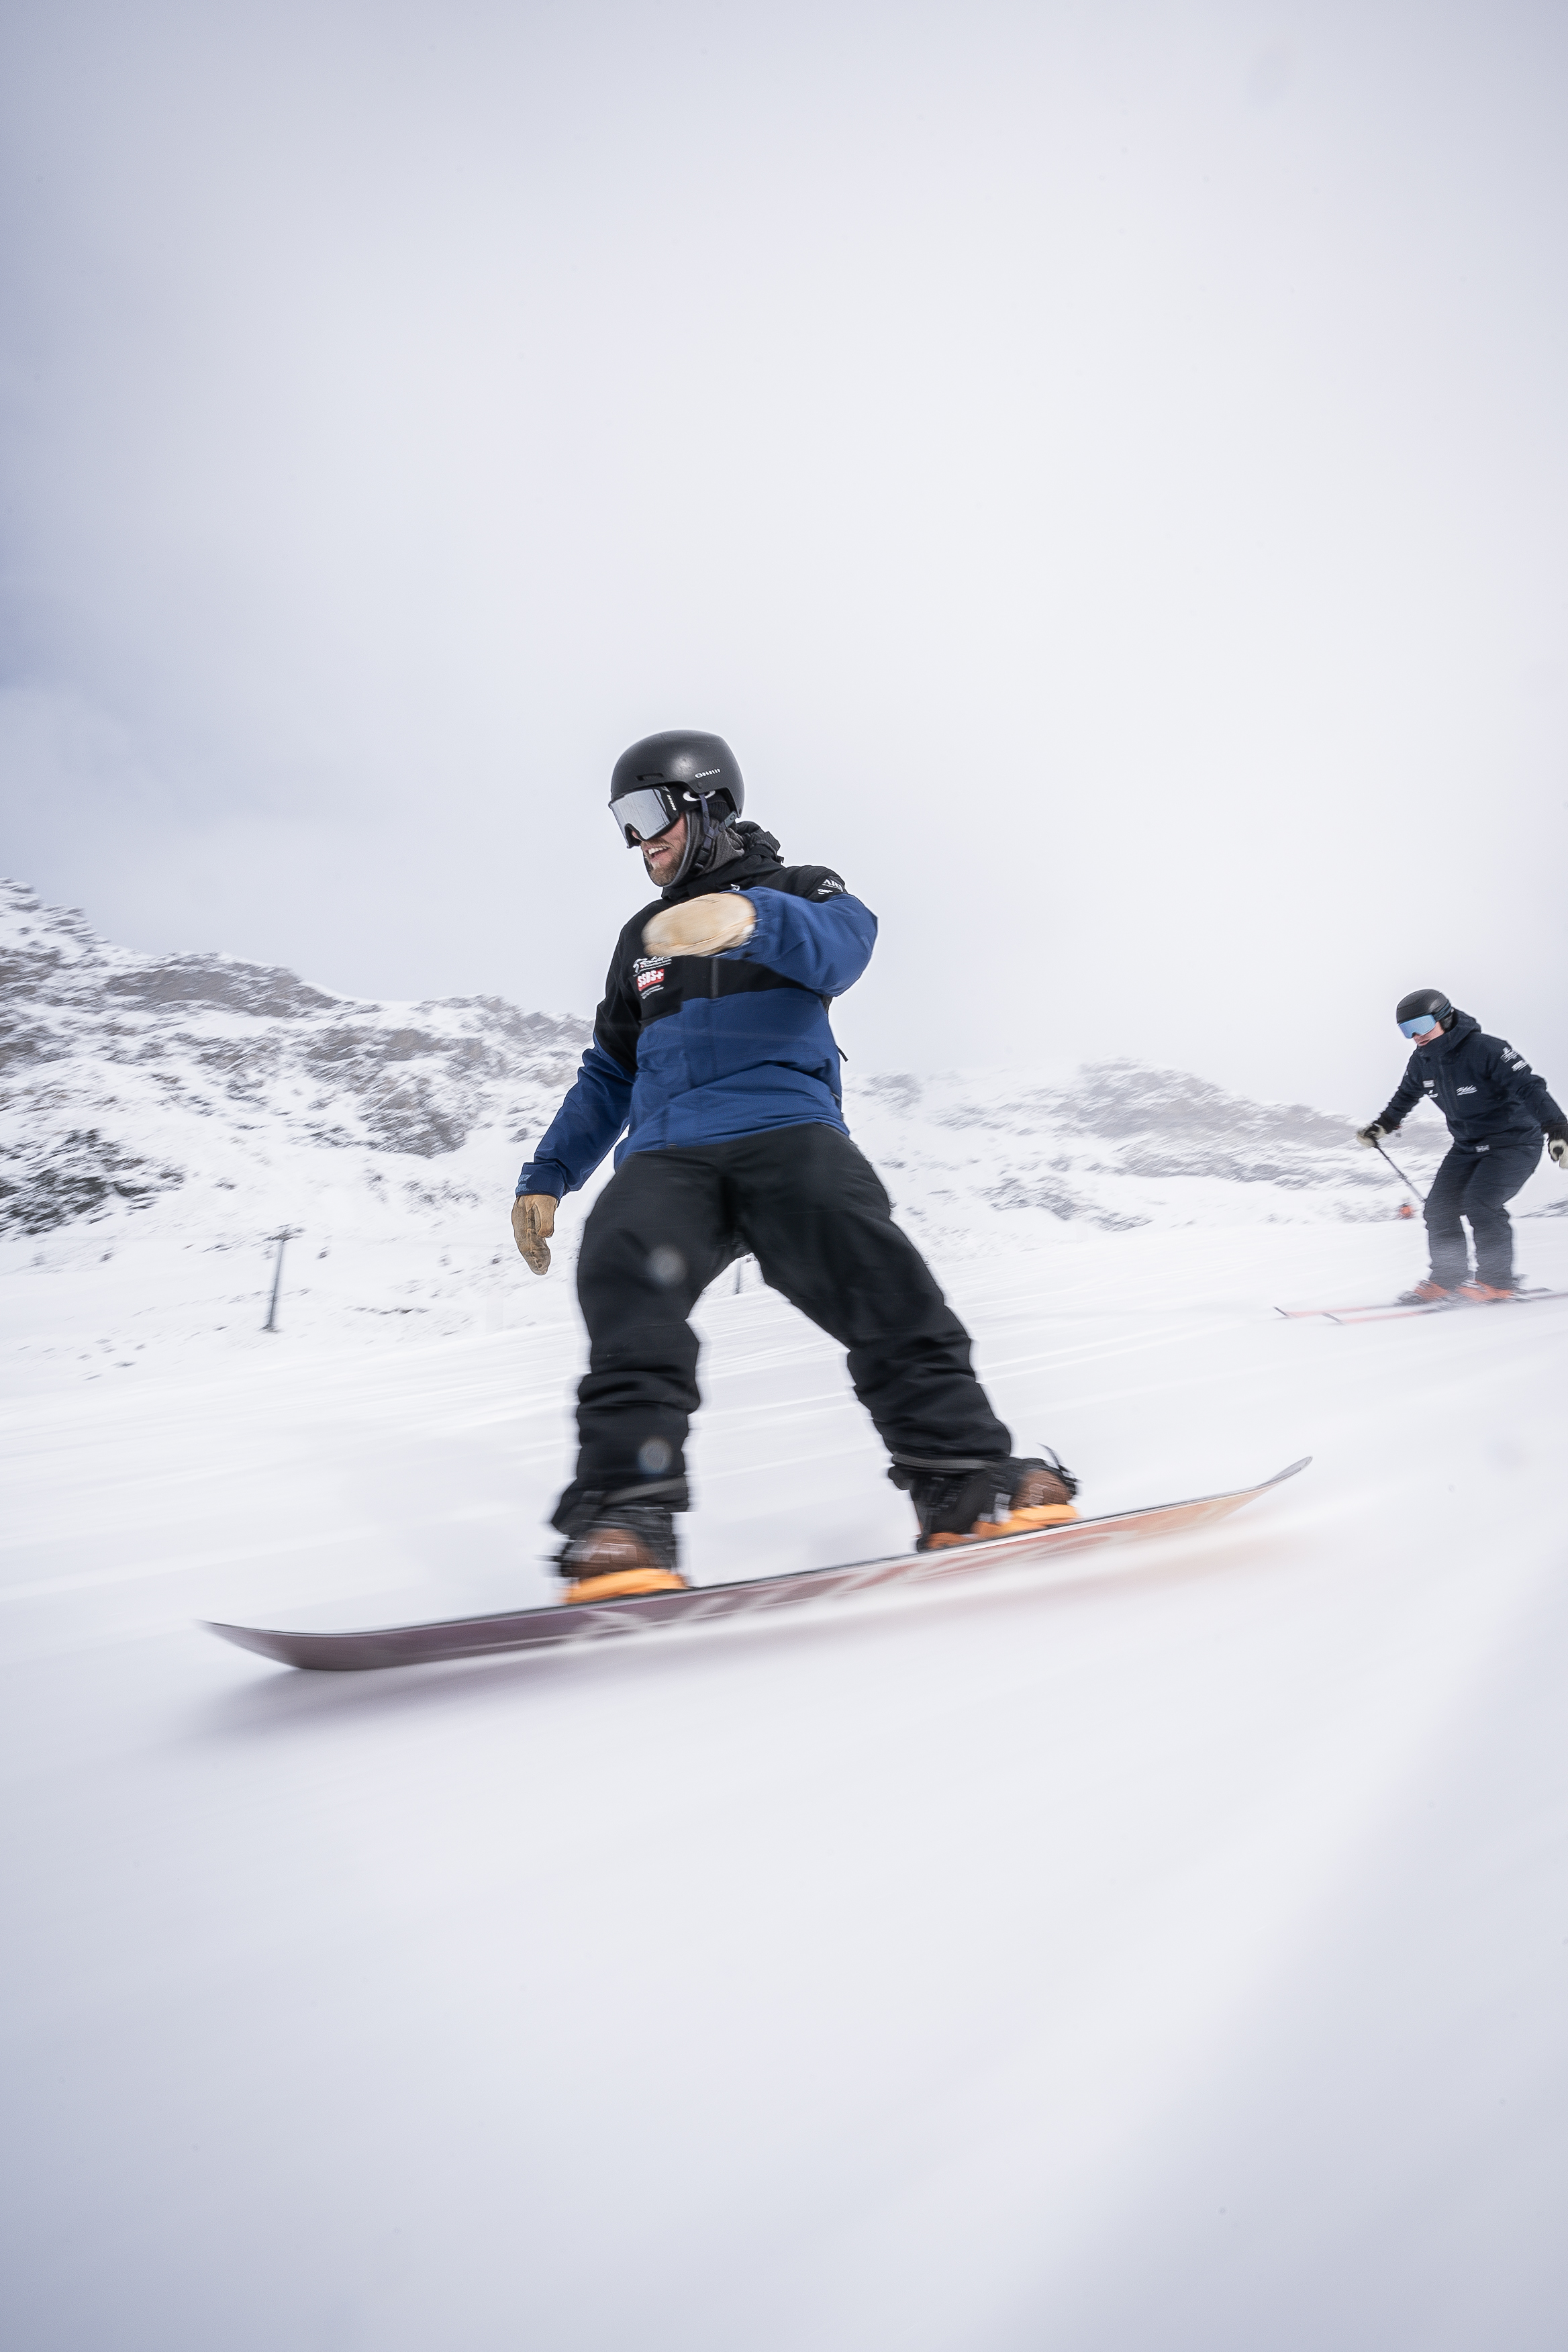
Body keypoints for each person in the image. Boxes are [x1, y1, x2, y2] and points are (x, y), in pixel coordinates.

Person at [510, 728, 1079, 1602]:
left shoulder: (801, 889)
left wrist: (753, 920)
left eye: (647, 813)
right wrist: (549, 1174)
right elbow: (611, 1071)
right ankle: (625, 1518)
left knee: (876, 1273)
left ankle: (967, 1480)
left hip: (786, 1131)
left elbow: (844, 950)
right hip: (669, 1154)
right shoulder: (645, 938)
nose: (638, 840)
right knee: (625, 1270)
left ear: (704, 804)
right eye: (622, 823)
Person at [1357, 988, 1568, 1304]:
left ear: (1445, 1017)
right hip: (1467, 1145)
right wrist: (1383, 1125)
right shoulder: (1422, 1060)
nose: (1416, 1036)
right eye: (1407, 1030)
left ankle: (1498, 1282)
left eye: (1423, 1025)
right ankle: (1448, 1278)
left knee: (1480, 1204)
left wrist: (1556, 1129)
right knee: (1439, 1209)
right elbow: (1405, 1095)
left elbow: (1529, 1087)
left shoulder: (1488, 1049)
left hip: (1513, 1143)